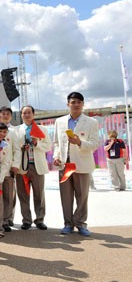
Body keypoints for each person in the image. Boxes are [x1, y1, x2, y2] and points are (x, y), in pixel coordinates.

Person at [53, 92, 99, 236]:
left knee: (82, 196)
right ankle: (68, 224)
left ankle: (80, 223)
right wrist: (56, 156)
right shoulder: (59, 122)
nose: (76, 105)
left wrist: (80, 142)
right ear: (68, 104)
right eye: (73, 102)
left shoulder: (92, 122)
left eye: (79, 102)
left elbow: (95, 144)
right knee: (65, 197)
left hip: (82, 164)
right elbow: (56, 143)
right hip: (64, 165)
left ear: (83, 104)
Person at [12, 105, 51, 231]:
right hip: (22, 166)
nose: (26, 115)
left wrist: (36, 143)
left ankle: (40, 219)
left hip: (37, 166)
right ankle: (26, 220)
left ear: (33, 114)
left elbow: (48, 146)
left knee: (39, 194)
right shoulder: (16, 130)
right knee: (23, 194)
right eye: (24, 113)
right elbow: (14, 148)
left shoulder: (42, 129)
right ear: (21, 115)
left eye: (29, 112)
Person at [0, 106, 20, 230]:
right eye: (3, 114)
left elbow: (17, 150)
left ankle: (6, 220)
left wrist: (15, 165)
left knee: (8, 195)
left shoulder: (12, 132)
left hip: (8, 170)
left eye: (8, 114)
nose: (5, 115)